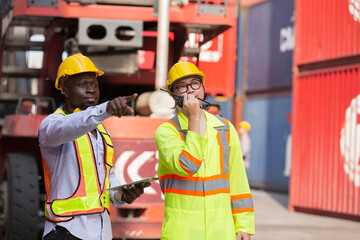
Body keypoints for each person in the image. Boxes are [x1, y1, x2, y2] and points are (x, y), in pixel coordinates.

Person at [38, 53, 150, 240]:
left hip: (101, 232)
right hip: (65, 230)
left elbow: (106, 181)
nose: (91, 90)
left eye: (94, 85)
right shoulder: (52, 125)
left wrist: (123, 194)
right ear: (65, 90)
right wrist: (105, 110)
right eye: (83, 85)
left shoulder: (101, 133)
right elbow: (74, 125)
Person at [155, 61, 255, 240]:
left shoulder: (224, 128)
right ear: (172, 95)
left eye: (195, 83)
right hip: (182, 233)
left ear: (202, 87)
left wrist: (244, 225)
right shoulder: (167, 132)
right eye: (181, 87)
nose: (191, 90)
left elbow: (238, 180)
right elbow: (188, 165)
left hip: (222, 232)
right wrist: (194, 118)